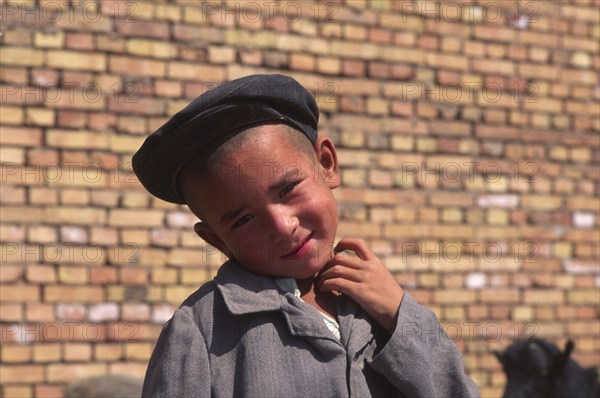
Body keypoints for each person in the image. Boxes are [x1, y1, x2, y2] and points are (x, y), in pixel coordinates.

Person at [133, 74, 479, 397]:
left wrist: (400, 315)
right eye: (244, 219)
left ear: (327, 163)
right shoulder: (201, 329)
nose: (282, 226)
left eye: (287, 190)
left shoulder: (377, 302)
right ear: (217, 241)